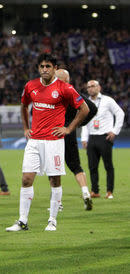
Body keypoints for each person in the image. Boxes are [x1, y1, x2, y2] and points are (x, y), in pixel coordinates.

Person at [5, 53, 89, 232]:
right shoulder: (31, 86)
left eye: (48, 66)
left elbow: (84, 109)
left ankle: (52, 220)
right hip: (34, 140)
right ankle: (22, 221)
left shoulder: (64, 88)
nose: (44, 69)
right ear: (38, 68)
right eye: (42, 66)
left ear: (55, 68)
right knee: (26, 179)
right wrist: (26, 128)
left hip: (54, 142)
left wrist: (68, 129)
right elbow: (23, 106)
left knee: (54, 180)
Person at [55, 69, 97, 210]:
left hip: (54, 133)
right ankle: (85, 192)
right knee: (75, 166)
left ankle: (57, 203)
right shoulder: (72, 92)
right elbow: (91, 108)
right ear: (68, 79)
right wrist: (77, 124)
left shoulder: (52, 92)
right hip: (69, 132)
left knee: (54, 168)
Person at [81, 80, 124, 199]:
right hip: (92, 138)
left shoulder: (107, 100)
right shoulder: (86, 102)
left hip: (105, 137)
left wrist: (115, 131)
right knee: (92, 166)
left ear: (99, 87)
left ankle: (109, 191)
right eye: (88, 87)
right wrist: (84, 138)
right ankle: (95, 191)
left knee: (108, 166)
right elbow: (84, 120)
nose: (90, 89)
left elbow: (120, 113)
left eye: (93, 86)